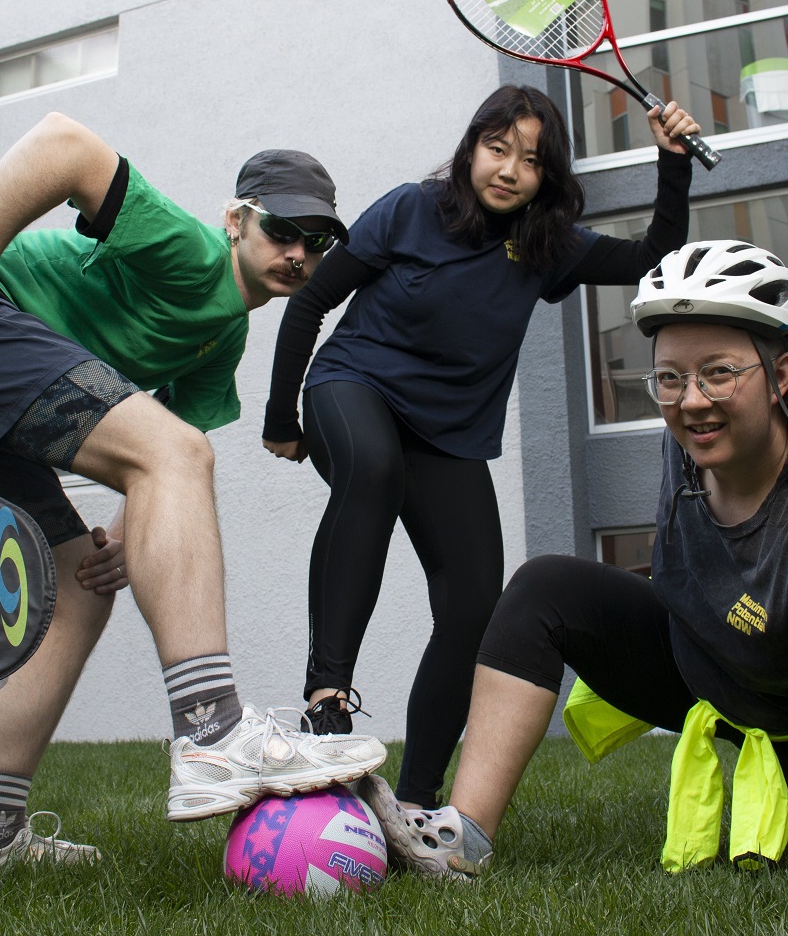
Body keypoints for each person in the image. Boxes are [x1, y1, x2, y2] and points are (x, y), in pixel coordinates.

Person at [359, 241, 788, 935]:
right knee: (545, 586)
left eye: (719, 374)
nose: (691, 402)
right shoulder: (689, 439)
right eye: (668, 378)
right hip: (696, 664)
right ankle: (462, 840)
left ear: (782, 372)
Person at [0, 112, 387, 866]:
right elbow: (62, 144)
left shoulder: (220, 338)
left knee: (78, 582)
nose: (297, 254)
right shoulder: (192, 253)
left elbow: (154, 446)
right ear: (236, 222)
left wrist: (128, 537)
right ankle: (213, 734)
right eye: (281, 231)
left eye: (316, 243)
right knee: (179, 456)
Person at [262, 84, 702, 809]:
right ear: (471, 148)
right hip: (353, 387)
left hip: (448, 434)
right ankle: (326, 697)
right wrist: (283, 418)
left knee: (472, 607)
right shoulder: (410, 208)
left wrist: (673, 161)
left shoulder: (544, 247)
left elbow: (654, 255)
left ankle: (415, 801)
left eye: (529, 159)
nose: (508, 169)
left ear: (546, 175)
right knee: (372, 471)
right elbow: (313, 300)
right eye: (497, 149)